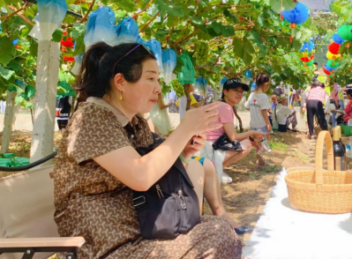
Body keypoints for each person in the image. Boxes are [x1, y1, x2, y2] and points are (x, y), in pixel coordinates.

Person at [54, 42, 242, 259]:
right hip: (108, 247)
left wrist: (185, 152)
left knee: (220, 228)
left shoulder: (134, 123)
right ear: (120, 82)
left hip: (143, 229)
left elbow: (155, 170)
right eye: (151, 78)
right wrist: (184, 130)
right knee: (219, 236)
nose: (159, 88)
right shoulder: (91, 118)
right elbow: (141, 175)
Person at [203, 78, 265, 185]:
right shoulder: (225, 108)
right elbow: (233, 137)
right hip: (209, 149)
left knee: (246, 140)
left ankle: (216, 168)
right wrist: (252, 133)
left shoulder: (218, 104)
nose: (239, 94)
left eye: (241, 91)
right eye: (235, 90)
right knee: (248, 144)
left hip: (204, 147)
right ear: (225, 91)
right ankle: (216, 168)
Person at [245, 73, 272, 162]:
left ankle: (260, 161)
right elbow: (263, 111)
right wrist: (268, 123)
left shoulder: (252, 95)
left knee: (259, 141)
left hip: (253, 125)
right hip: (262, 125)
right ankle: (260, 153)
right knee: (266, 140)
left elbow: (247, 107)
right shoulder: (264, 96)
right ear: (266, 84)